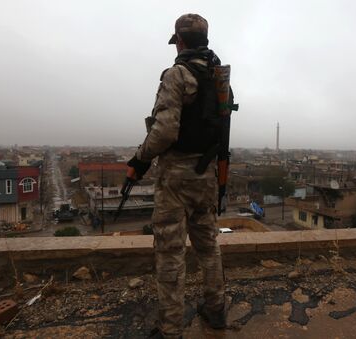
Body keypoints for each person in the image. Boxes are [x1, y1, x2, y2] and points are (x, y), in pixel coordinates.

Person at [125, 13, 229, 339]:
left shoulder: (177, 75)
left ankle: (170, 330)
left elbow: (165, 131)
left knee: (170, 253)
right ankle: (215, 312)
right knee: (208, 245)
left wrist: (139, 160)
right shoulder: (218, 78)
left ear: (180, 41)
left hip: (176, 179)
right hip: (207, 175)